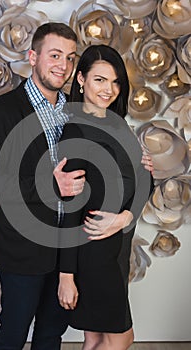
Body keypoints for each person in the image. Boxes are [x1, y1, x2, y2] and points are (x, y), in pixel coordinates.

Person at [0, 22, 86, 350]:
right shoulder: (3, 111)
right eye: (54, 55)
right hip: (22, 250)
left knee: (51, 336)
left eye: (69, 57)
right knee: (14, 334)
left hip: (68, 250)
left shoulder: (76, 114)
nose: (62, 65)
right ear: (33, 57)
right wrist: (48, 185)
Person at [57, 45, 154, 350]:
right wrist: (66, 275)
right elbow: (69, 209)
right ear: (82, 79)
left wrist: (126, 216)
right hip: (93, 252)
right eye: (100, 80)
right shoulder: (75, 132)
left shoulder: (117, 123)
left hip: (117, 248)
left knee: (97, 337)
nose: (109, 89)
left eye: (114, 82)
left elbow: (144, 180)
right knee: (121, 336)